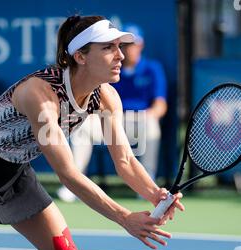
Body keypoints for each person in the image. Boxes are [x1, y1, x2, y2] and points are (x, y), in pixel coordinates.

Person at [0, 15, 184, 250]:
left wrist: (154, 193)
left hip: (12, 172)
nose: (121, 56)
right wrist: (124, 217)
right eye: (108, 48)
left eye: (120, 46)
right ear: (80, 56)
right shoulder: (41, 96)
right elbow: (68, 174)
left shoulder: (107, 97)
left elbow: (124, 160)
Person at [57, 23, 169, 202]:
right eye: (118, 47)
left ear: (141, 46)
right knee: (83, 125)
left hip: (139, 120)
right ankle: (74, 183)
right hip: (110, 119)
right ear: (79, 57)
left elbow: (160, 106)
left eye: (130, 45)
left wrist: (146, 116)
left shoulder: (152, 68)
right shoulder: (108, 70)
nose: (123, 53)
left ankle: (147, 183)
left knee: (150, 125)